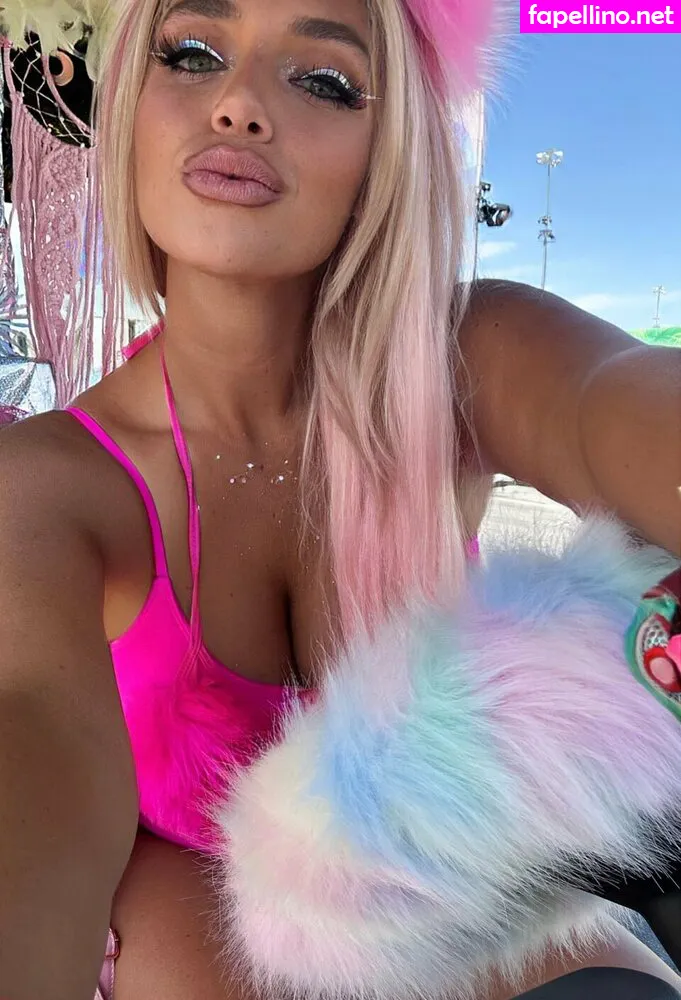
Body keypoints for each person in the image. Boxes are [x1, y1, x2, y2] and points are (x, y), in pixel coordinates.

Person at [0, 0, 680, 998]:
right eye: (191, 53)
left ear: (388, 151)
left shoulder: (464, 360)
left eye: (322, 79)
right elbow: (28, 754)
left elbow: (609, 399)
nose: (238, 103)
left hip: (491, 925)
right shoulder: (46, 487)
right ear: (129, 105)